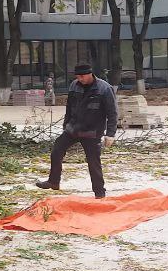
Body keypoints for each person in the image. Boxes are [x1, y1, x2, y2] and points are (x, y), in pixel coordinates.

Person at [37, 64, 118, 199]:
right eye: (77, 76)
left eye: (82, 76)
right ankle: (53, 182)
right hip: (73, 129)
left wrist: (110, 134)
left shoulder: (104, 88)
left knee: (93, 162)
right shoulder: (74, 85)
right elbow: (69, 107)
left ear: (90, 74)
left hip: (92, 132)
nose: (80, 79)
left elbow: (112, 113)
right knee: (56, 151)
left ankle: (99, 192)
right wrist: (66, 124)